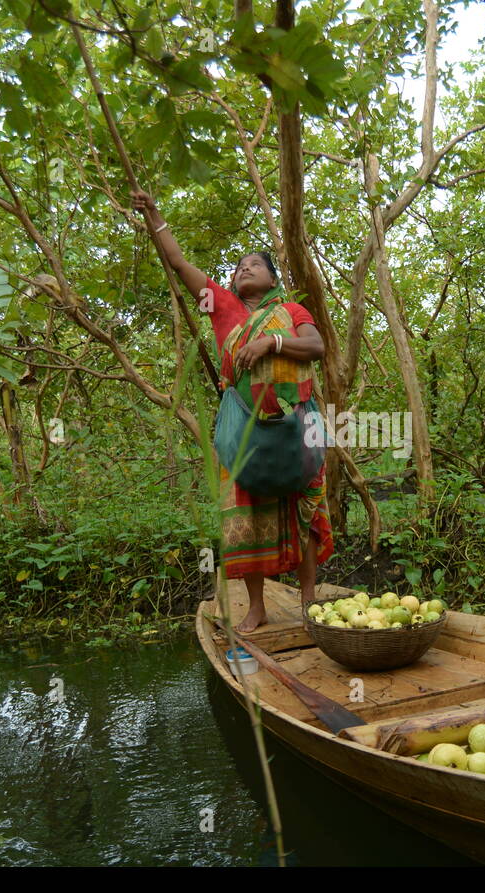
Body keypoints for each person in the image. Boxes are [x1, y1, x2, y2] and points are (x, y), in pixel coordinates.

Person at [131, 189, 334, 633]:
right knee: (249, 516)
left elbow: (315, 348)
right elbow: (181, 265)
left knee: (304, 508)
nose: (244, 270)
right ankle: (256, 607)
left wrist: (272, 342)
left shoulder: (291, 309)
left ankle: (308, 602)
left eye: (254, 265)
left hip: (298, 424)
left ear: (273, 277)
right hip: (244, 429)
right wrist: (154, 213)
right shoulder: (220, 307)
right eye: (238, 267)